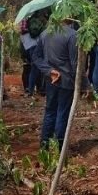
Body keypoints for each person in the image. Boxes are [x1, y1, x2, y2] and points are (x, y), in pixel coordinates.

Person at [34, 17, 78, 149]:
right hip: (67, 81)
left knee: (50, 111)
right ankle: (59, 147)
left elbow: (36, 57)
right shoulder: (72, 35)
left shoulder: (45, 33)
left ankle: (44, 145)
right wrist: (85, 85)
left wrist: (49, 71)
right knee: (62, 112)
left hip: (51, 80)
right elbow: (75, 64)